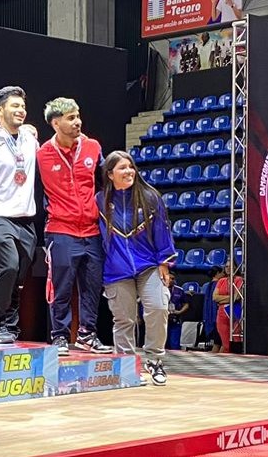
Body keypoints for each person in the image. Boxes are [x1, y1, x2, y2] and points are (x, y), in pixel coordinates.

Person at [37, 97, 112, 356]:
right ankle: (59, 336)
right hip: (60, 229)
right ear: (55, 123)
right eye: (71, 118)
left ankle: (87, 335)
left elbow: (104, 182)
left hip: (91, 229)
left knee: (91, 286)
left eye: (78, 115)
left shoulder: (92, 147)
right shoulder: (42, 154)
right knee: (61, 286)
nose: (77, 121)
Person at [96, 150, 176, 385]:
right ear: (110, 174)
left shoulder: (149, 197)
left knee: (159, 307)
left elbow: (163, 230)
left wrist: (165, 262)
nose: (129, 171)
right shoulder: (100, 201)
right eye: (122, 168)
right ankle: (128, 367)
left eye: (131, 167)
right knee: (124, 320)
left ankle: (154, 360)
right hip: (116, 270)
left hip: (149, 265)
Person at [0, 86, 38, 344]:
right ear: (0, 110)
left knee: (19, 275)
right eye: (14, 106)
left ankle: (9, 327)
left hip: (26, 217)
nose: (20, 111)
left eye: (23, 107)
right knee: (8, 267)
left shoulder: (29, 138)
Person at [212, 262, 243, 353]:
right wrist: (230, 298)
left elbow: (237, 297)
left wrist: (221, 299)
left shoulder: (239, 280)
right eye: (226, 266)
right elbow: (214, 297)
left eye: (231, 266)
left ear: (236, 268)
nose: (228, 268)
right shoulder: (221, 281)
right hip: (221, 314)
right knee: (225, 344)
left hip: (234, 312)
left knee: (235, 342)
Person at [166, 273, 190, 351]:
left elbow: (186, 304)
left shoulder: (179, 290)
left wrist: (180, 312)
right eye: (170, 278)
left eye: (173, 279)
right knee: (162, 344)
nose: (171, 280)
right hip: (162, 320)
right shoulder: (158, 289)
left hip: (175, 320)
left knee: (174, 344)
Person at [205, 266, 223, 352]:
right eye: (222, 272)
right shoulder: (217, 285)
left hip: (211, 317)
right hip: (217, 316)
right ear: (217, 273)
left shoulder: (209, 285)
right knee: (220, 342)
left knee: (217, 343)